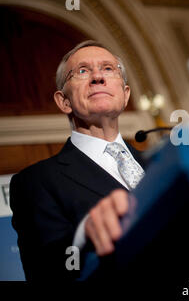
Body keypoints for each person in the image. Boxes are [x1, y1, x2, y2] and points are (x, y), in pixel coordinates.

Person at [9, 40, 145, 281]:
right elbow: (45, 273)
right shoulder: (35, 182)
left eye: (108, 69)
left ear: (125, 96)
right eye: (82, 71)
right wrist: (85, 236)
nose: (97, 77)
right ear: (64, 102)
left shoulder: (155, 163)